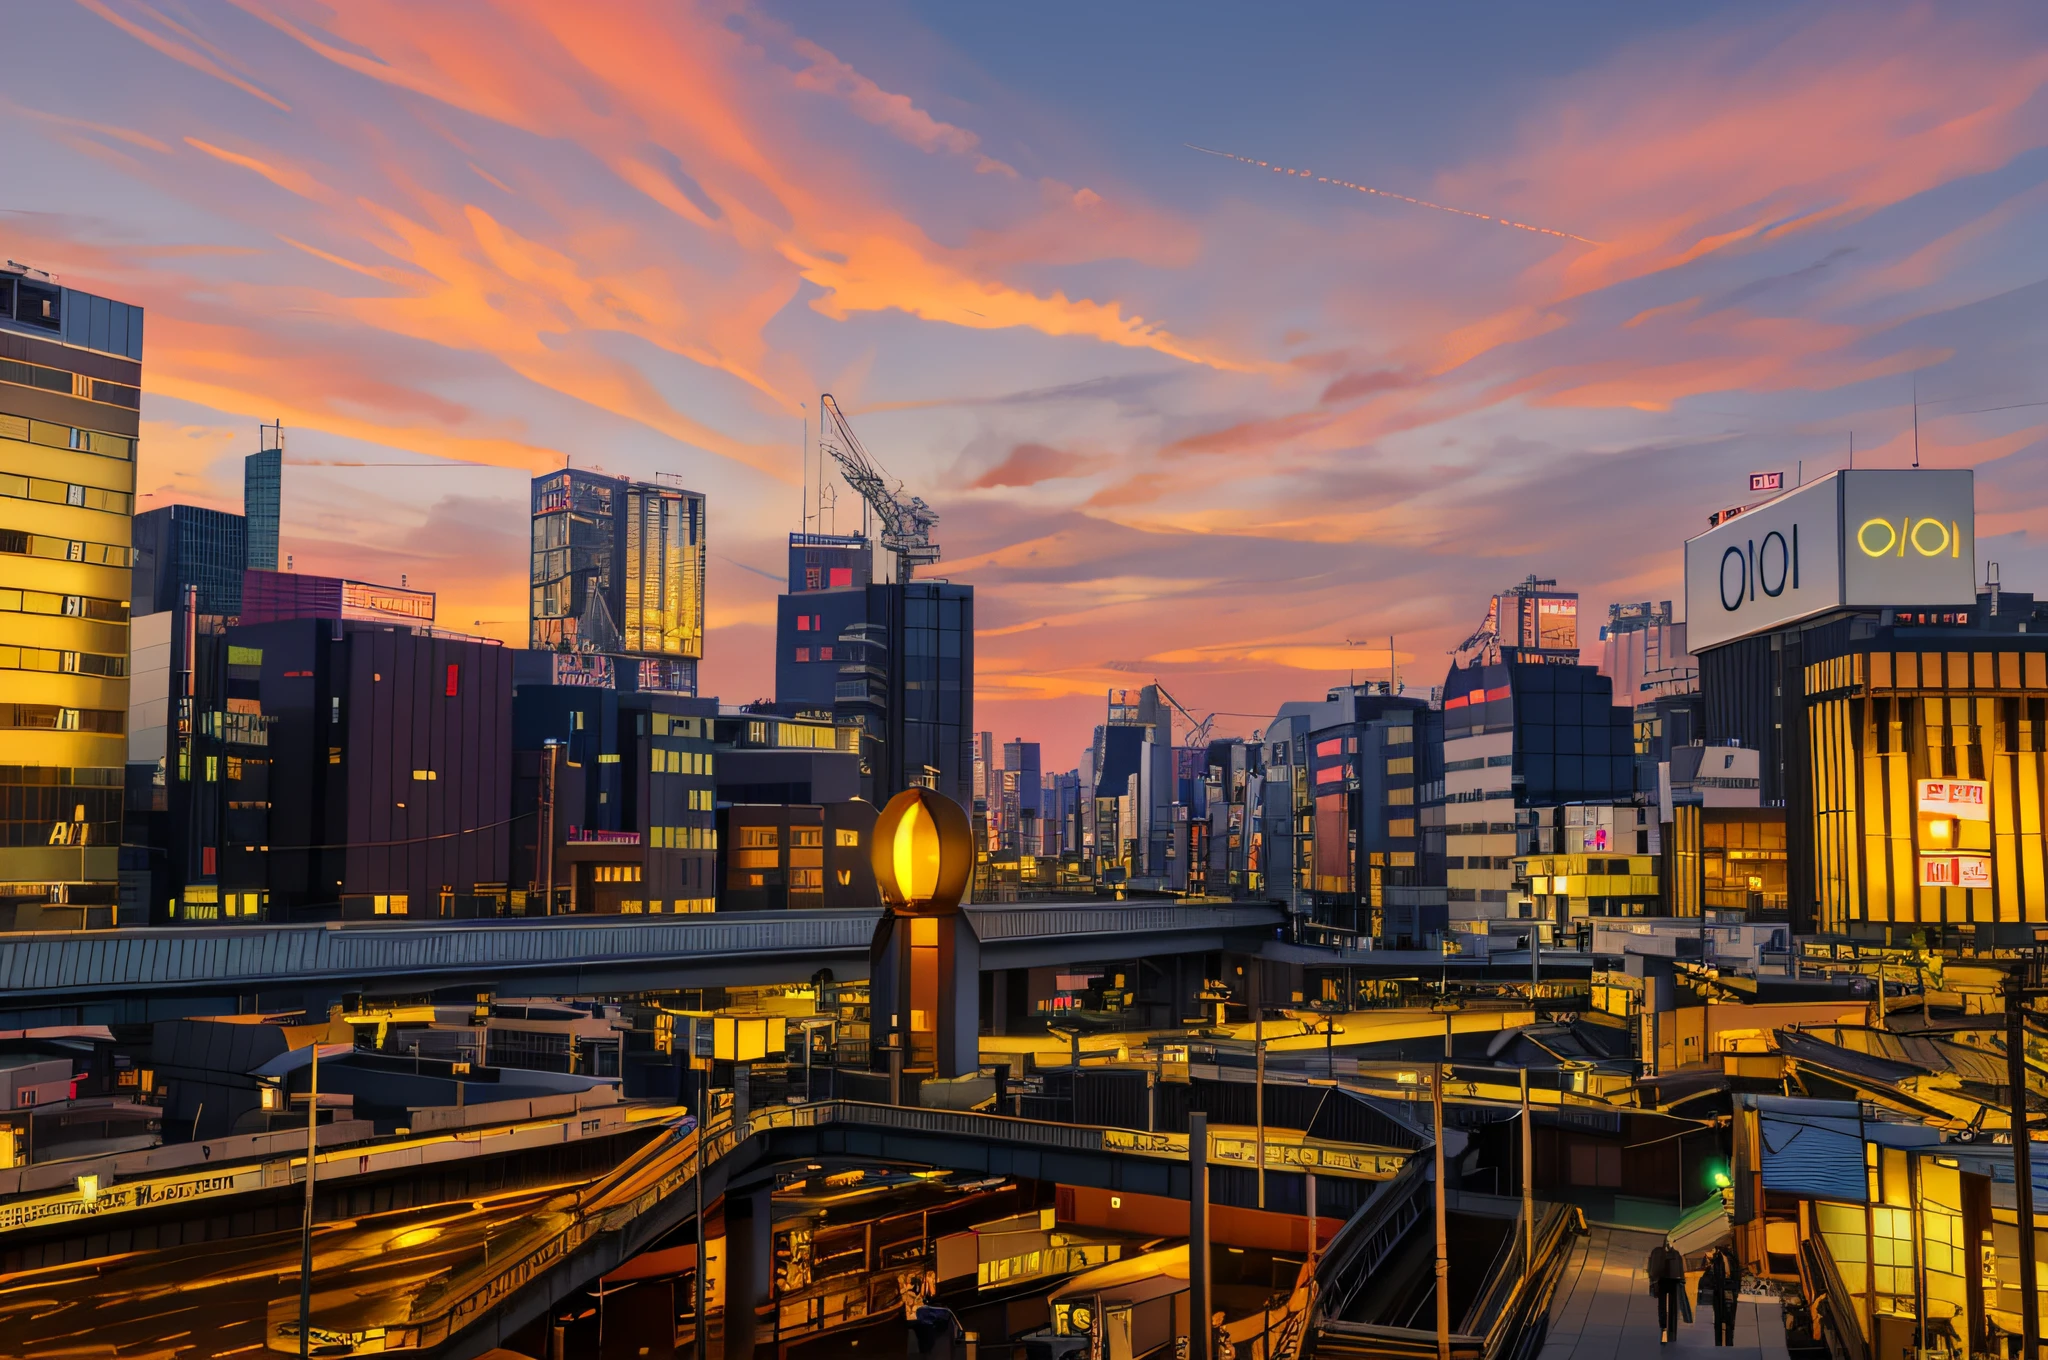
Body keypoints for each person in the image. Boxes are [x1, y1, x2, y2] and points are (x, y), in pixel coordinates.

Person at [1699, 1246, 1740, 1346]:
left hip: (1722, 1289)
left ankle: (1721, 1343)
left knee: (1721, 1317)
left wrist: (1708, 1259)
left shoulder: (1718, 1259)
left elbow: (1707, 1272)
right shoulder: (1731, 1257)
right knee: (1727, 1317)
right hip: (1728, 1289)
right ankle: (1727, 1342)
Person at [1647, 1240, 1687, 1342]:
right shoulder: (1676, 1253)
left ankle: (1663, 1325)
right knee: (1670, 1305)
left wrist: (1652, 1281)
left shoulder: (1656, 1252)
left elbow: (1651, 1269)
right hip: (1672, 1281)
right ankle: (1669, 1325)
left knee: (1662, 1304)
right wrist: (1682, 1280)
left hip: (1662, 1281)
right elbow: (1681, 1269)